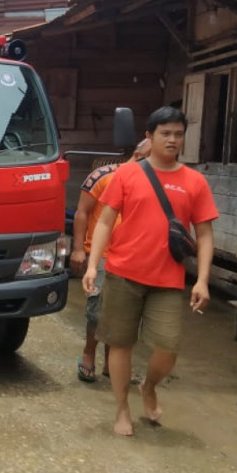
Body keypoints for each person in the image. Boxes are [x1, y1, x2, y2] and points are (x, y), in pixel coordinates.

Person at [83, 106, 218, 436]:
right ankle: (122, 409)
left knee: (168, 347)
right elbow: (103, 220)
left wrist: (201, 279)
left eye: (178, 134)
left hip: (168, 279)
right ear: (149, 137)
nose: (173, 140)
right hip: (122, 273)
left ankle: (149, 386)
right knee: (120, 344)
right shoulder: (128, 175)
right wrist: (91, 264)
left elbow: (204, 234)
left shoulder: (195, 182)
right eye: (166, 134)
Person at [71, 138, 152, 382]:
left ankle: (110, 362)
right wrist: (78, 249)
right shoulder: (103, 176)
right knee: (97, 311)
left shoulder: (154, 183)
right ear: (138, 156)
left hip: (134, 257)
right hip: (104, 254)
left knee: (123, 314)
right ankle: (88, 354)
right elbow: (82, 212)